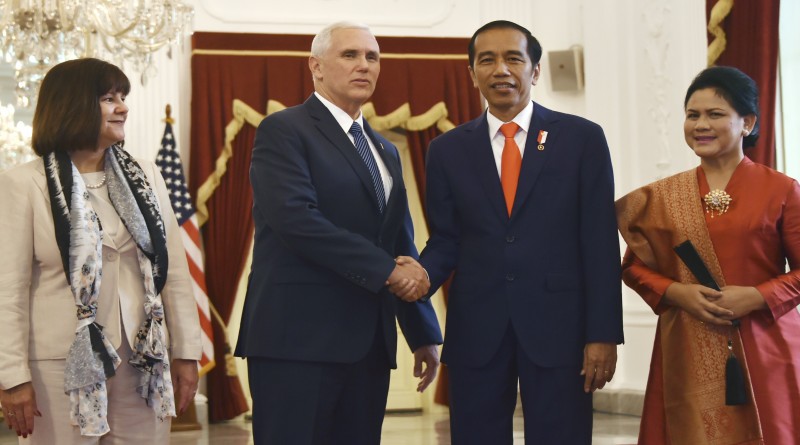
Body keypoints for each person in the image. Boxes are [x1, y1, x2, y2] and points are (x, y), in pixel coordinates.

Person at [234, 21, 443, 445]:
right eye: (350, 55)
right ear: (316, 66)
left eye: (372, 57)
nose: (364, 65)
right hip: (296, 343)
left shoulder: (383, 148)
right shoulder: (284, 130)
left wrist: (421, 332)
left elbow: (397, 242)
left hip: (368, 344)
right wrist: (388, 271)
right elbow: (298, 221)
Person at [415, 20, 623, 444]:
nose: (501, 70)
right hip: (477, 327)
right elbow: (446, 239)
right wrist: (417, 276)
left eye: (514, 58)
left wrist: (602, 333)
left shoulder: (580, 139)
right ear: (472, 73)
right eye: (486, 60)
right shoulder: (447, 150)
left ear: (536, 70)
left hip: (560, 328)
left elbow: (599, 244)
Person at [0, 58, 202, 444]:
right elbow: (7, 290)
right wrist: (12, 376)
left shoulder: (147, 175)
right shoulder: (21, 184)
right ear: (71, 105)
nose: (123, 107)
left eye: (122, 97)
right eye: (109, 98)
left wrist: (187, 351)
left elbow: (174, 274)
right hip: (59, 365)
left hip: (144, 357)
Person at [617, 66, 800, 444]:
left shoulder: (781, 190)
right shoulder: (663, 196)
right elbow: (634, 267)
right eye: (692, 115)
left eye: (715, 114)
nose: (701, 124)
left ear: (746, 123)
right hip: (686, 341)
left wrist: (757, 295)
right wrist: (676, 292)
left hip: (764, 343)